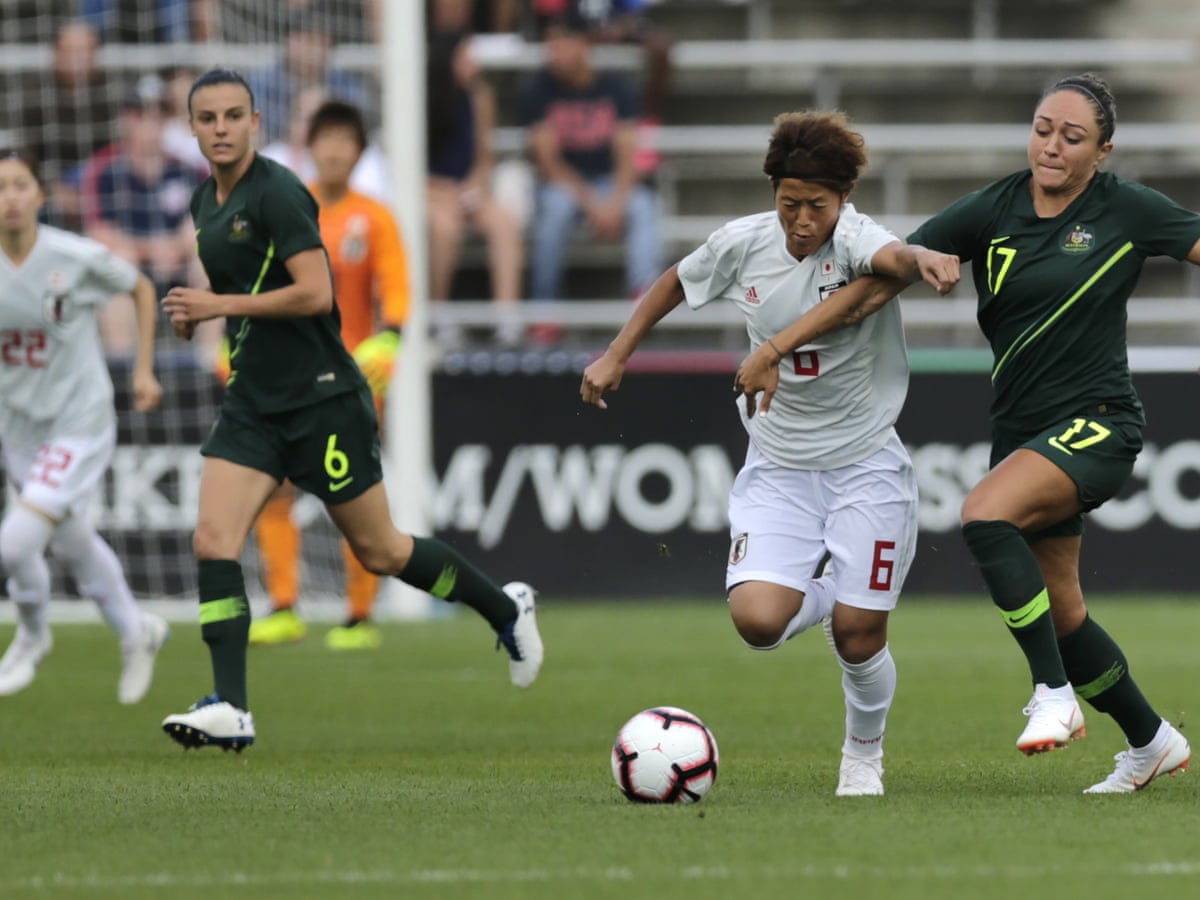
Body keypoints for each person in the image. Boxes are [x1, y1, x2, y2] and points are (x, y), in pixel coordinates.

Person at [739, 74, 1194, 795]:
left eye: (1072, 137)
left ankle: (1051, 694)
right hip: (1022, 431)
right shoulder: (998, 205)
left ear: (1102, 152)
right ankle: (1151, 741)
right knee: (1065, 613)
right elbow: (878, 283)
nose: (1052, 145)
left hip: (1100, 423)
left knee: (984, 512)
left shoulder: (1128, 210)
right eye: (1044, 127)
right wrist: (776, 346)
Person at [159, 70, 543, 751]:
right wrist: (203, 321)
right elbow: (244, 294)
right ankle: (231, 705)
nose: (220, 128)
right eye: (207, 118)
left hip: (322, 397)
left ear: (256, 124)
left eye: (232, 116)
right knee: (212, 540)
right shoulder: (202, 204)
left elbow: (312, 293)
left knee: (382, 548)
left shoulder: (278, 192)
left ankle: (502, 606)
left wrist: (218, 307)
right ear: (191, 128)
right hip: (254, 400)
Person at [580, 111, 960, 796]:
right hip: (780, 466)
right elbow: (673, 281)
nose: (802, 219)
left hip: (865, 461)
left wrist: (924, 258)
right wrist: (616, 353)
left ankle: (862, 756)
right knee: (758, 623)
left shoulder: (855, 239)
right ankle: (828, 597)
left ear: (843, 199)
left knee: (859, 635)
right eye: (790, 203)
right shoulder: (744, 244)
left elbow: (894, 260)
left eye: (816, 205)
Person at [0, 148, 169, 704]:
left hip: (79, 421)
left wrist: (143, 369)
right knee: (71, 541)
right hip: (19, 428)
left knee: (14, 542)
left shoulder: (72, 256)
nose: (10, 198)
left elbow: (141, 286)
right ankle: (135, 632)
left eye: (20, 185)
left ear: (40, 196)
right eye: (0, 188)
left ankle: (30, 634)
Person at [247, 99, 410, 651]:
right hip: (291, 370)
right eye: (327, 138)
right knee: (276, 487)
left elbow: (396, 285)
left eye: (347, 140)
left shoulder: (376, 216)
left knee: (353, 496)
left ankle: (359, 617)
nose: (336, 149)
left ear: (359, 152)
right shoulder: (290, 208)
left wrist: (391, 338)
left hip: (351, 374)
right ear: (310, 148)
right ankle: (284, 606)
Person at [519, 9, 661, 332]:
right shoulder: (538, 88)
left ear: (584, 44)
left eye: (561, 41)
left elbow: (628, 154)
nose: (553, 50)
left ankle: (643, 303)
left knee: (644, 205)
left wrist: (615, 201)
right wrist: (594, 205)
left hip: (607, 181)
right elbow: (548, 162)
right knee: (554, 208)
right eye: (549, 42)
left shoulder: (615, 86)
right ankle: (545, 310)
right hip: (563, 186)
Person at [80, 74, 206, 355]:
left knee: (207, 257)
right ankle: (123, 363)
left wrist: (177, 247)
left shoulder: (190, 171)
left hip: (179, 270)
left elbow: (202, 226)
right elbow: (98, 233)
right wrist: (153, 250)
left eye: (158, 114)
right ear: (126, 119)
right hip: (133, 269)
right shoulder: (103, 169)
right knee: (117, 261)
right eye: (141, 114)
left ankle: (212, 364)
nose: (150, 123)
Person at [427, 30, 524, 347]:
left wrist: (474, 186)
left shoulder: (480, 97)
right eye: (465, 56)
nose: (473, 64)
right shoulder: (419, 98)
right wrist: (444, 191)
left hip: (465, 191)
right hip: (429, 192)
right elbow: (407, 167)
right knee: (445, 229)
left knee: (504, 224)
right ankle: (438, 314)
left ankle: (506, 319)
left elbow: (485, 157)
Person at [531, 0, 673, 175]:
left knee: (661, 45)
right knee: (567, 49)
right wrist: (592, 37)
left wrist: (623, 28)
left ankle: (646, 121)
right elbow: (552, 20)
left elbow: (636, 13)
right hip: (578, 38)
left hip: (612, 40)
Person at [15, 19, 122, 231]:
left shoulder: (113, 95)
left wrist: (92, 188)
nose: (78, 59)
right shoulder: (34, 96)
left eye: (85, 51)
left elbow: (118, 151)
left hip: (102, 185)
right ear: (56, 54)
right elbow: (27, 155)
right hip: (51, 187)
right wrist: (53, 188)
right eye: (71, 51)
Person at [247, 7, 374, 145]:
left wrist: (329, 106)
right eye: (307, 40)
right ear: (289, 42)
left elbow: (364, 123)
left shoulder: (344, 82)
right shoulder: (262, 82)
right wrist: (296, 118)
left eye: (321, 41)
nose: (312, 50)